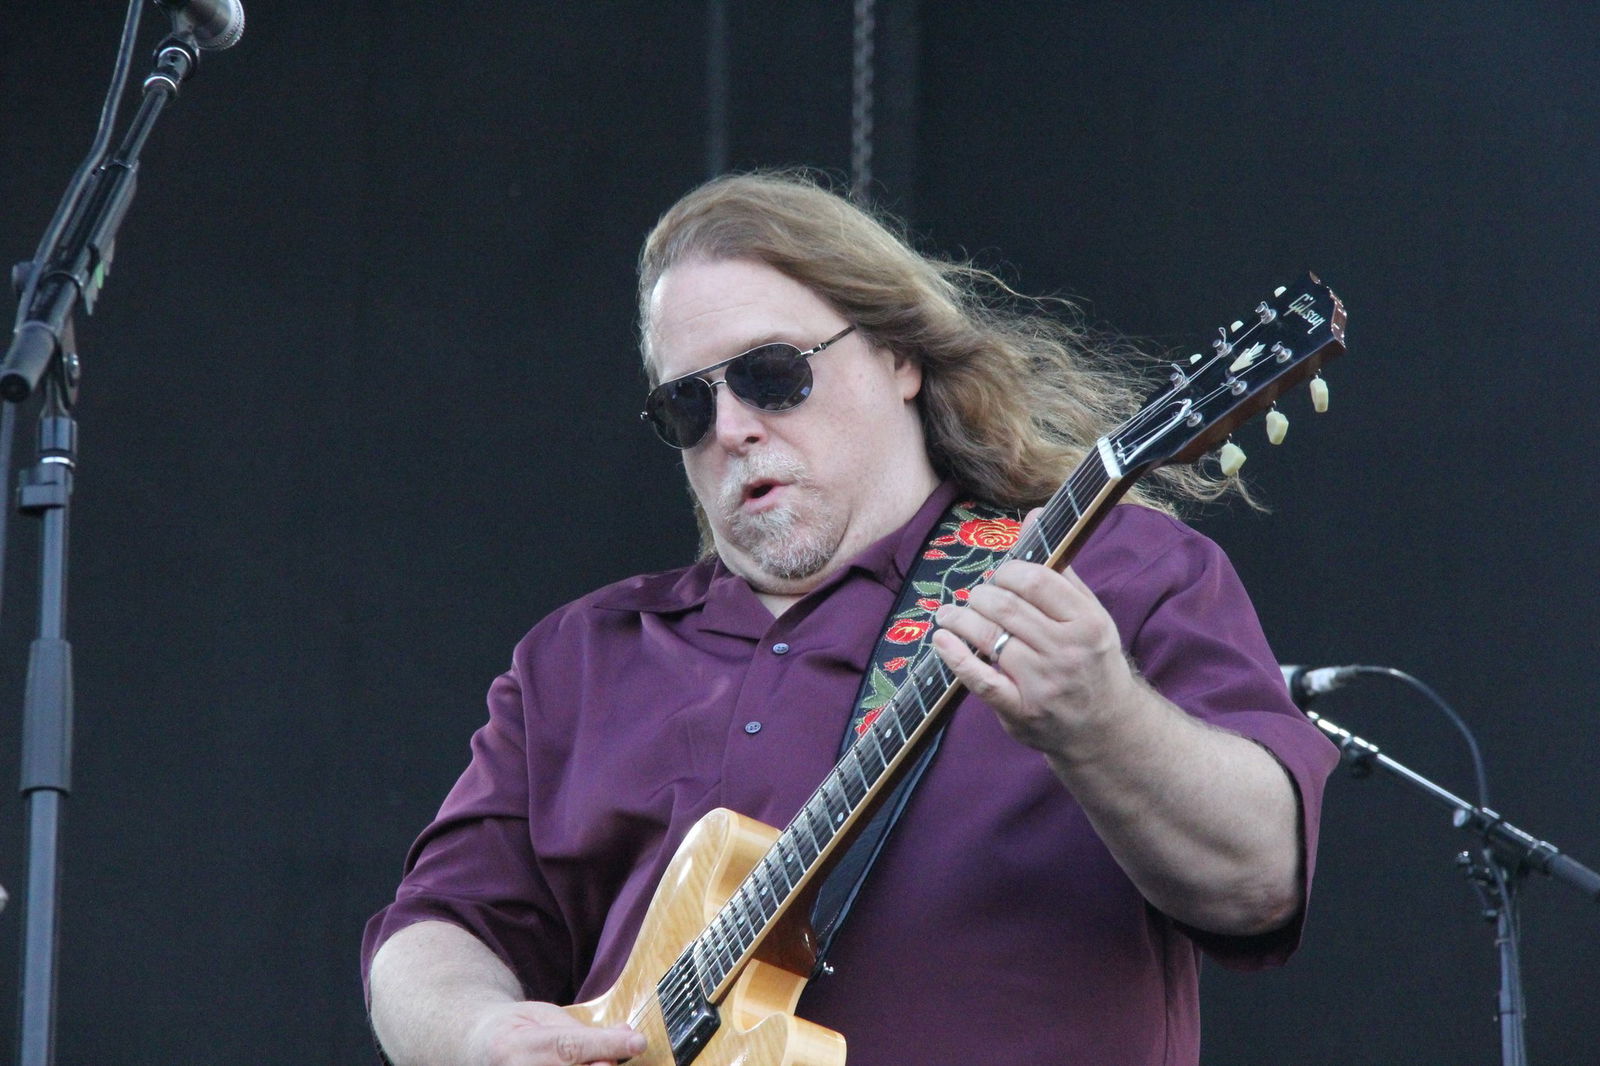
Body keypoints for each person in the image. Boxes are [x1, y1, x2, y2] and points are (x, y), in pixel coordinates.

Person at [362, 171, 1339, 1066]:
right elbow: (433, 930)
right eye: (687, 408)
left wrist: (1102, 718)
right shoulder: (581, 658)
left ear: (898, 356)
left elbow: (1258, 879)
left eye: (771, 373)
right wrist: (478, 1033)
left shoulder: (1103, 572)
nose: (732, 427)